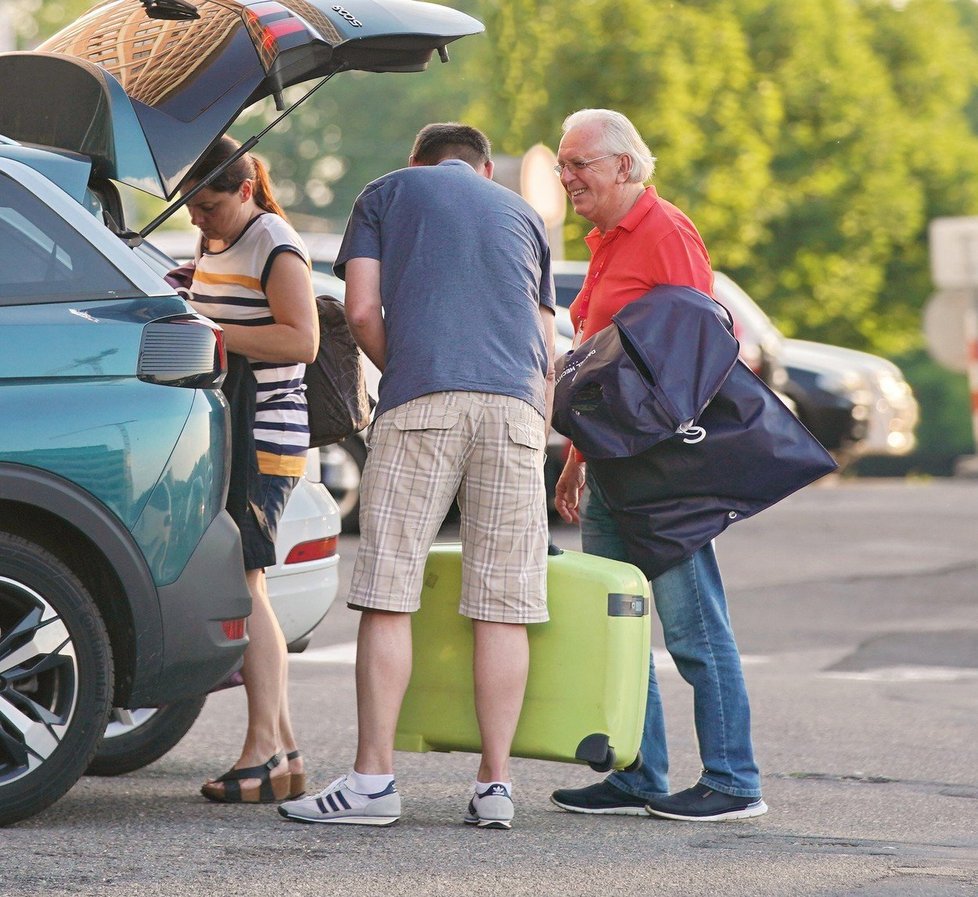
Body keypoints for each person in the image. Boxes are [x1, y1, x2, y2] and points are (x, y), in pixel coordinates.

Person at [277, 123, 556, 830]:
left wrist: (406, 368)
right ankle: (495, 785)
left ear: (417, 161)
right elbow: (546, 347)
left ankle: (373, 781)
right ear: (486, 169)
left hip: (423, 400)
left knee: (390, 590)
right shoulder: (526, 214)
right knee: (504, 602)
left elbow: (362, 309)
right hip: (519, 412)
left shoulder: (387, 193)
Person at [548, 109, 768, 821]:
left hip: (658, 470)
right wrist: (577, 460)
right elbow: (595, 362)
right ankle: (638, 772)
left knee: (693, 627)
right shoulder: (608, 239)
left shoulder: (664, 231)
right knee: (621, 623)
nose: (566, 175)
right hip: (611, 463)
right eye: (563, 162)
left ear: (624, 165)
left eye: (579, 162)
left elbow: (695, 352)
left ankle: (734, 780)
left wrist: (667, 465)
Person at [183, 136, 319, 804]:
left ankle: (261, 750)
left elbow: (303, 338)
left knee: (248, 585)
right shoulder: (219, 241)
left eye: (208, 207)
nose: (198, 220)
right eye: (190, 209)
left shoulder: (273, 239)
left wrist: (211, 334)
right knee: (247, 582)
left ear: (243, 189)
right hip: (235, 431)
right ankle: (287, 756)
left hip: (267, 437)